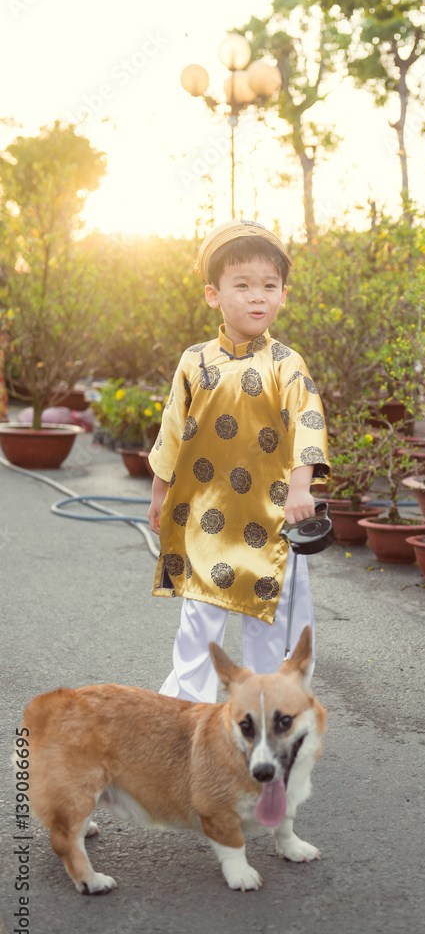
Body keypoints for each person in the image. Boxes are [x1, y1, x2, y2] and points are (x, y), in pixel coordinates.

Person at [147, 218, 329, 702]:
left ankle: (269, 709)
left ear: (283, 295)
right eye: (242, 285)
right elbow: (172, 432)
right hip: (204, 514)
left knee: (271, 613)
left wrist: (300, 489)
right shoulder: (195, 361)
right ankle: (189, 710)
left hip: (270, 516)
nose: (257, 297)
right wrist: (159, 495)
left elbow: (308, 425)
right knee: (199, 617)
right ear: (213, 295)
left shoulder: (287, 365)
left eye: (270, 286)